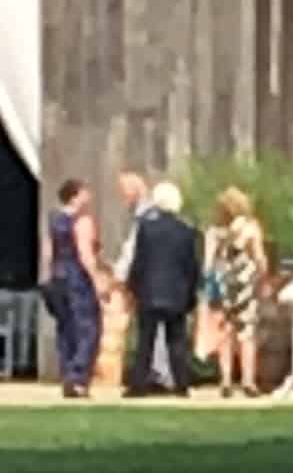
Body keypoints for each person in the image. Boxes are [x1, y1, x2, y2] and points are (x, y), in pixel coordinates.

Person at [124, 176, 204, 394]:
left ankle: (138, 385)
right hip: (177, 292)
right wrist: (192, 293)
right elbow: (191, 265)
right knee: (176, 340)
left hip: (149, 291)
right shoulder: (186, 231)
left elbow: (139, 261)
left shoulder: (146, 228)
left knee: (145, 341)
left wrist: (132, 287)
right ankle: (181, 384)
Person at [205, 181, 273, 397]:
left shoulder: (214, 231)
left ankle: (225, 380)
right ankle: (247, 380)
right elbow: (259, 258)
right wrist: (265, 279)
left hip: (223, 283)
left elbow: (208, 263)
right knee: (246, 333)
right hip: (245, 285)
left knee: (225, 333)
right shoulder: (250, 228)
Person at [42, 175, 107, 399]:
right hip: (77, 276)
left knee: (66, 327)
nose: (89, 196)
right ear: (74, 196)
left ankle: (67, 372)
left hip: (58, 276)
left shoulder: (53, 218)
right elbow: (85, 253)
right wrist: (98, 280)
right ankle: (78, 377)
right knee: (88, 328)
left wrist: (49, 276)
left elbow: (48, 250)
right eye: (84, 192)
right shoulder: (82, 221)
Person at [103, 164, 149, 395]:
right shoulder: (138, 214)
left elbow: (133, 249)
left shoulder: (144, 215)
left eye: (125, 190)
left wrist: (119, 277)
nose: (123, 195)